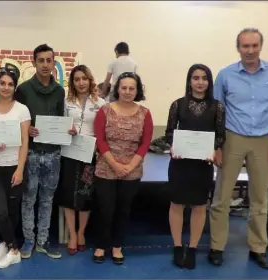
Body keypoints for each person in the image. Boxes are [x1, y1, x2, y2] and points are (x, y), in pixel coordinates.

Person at [209, 28, 268, 269]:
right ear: (238, 48)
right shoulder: (225, 75)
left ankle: (258, 247)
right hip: (232, 138)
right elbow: (216, 113)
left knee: (260, 197)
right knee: (222, 196)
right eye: (245, 46)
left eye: (254, 46)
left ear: (260, 47)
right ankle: (216, 246)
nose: (250, 51)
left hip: (263, 140)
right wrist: (218, 146)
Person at [14, 43, 75, 259]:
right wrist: (26, 129)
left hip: (53, 154)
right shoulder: (22, 90)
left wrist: (68, 129)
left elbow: (61, 119)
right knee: (29, 198)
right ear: (34, 63)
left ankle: (42, 241)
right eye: (41, 60)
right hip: (30, 153)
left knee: (48, 199)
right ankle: (29, 240)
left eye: (49, 60)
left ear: (54, 63)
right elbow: (17, 119)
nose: (45, 65)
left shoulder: (59, 91)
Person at [165, 64, 225, 269]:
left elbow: (220, 136)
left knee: (199, 206)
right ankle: (177, 246)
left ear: (209, 82)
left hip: (203, 164)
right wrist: (173, 147)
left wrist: (213, 149)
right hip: (180, 162)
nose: (200, 82)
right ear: (189, 81)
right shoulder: (177, 104)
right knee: (177, 204)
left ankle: (192, 248)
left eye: (204, 78)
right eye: (195, 78)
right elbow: (169, 133)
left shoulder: (217, 106)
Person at [93, 72, 153, 265]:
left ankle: (117, 246)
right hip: (106, 168)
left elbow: (145, 143)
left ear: (137, 91)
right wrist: (115, 165)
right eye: (124, 87)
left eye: (131, 88)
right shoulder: (105, 111)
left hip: (131, 171)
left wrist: (129, 166)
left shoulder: (145, 113)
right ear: (117, 89)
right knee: (105, 209)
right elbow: (100, 140)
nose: (127, 92)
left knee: (123, 210)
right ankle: (102, 245)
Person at [56, 65, 106, 255]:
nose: (81, 82)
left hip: (90, 154)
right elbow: (59, 125)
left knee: (86, 194)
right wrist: (66, 130)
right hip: (69, 151)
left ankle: (81, 232)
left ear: (90, 80)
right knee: (68, 194)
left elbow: (102, 129)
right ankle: (72, 234)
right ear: (72, 82)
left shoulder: (100, 103)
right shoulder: (65, 102)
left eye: (84, 78)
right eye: (77, 79)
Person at [0, 67, 30, 269]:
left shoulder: (22, 110)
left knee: (12, 212)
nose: (6, 87)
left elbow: (24, 141)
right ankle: (13, 249)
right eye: (2, 83)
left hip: (14, 166)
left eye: (10, 84)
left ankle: (8, 245)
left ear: (14, 87)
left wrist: (20, 169)